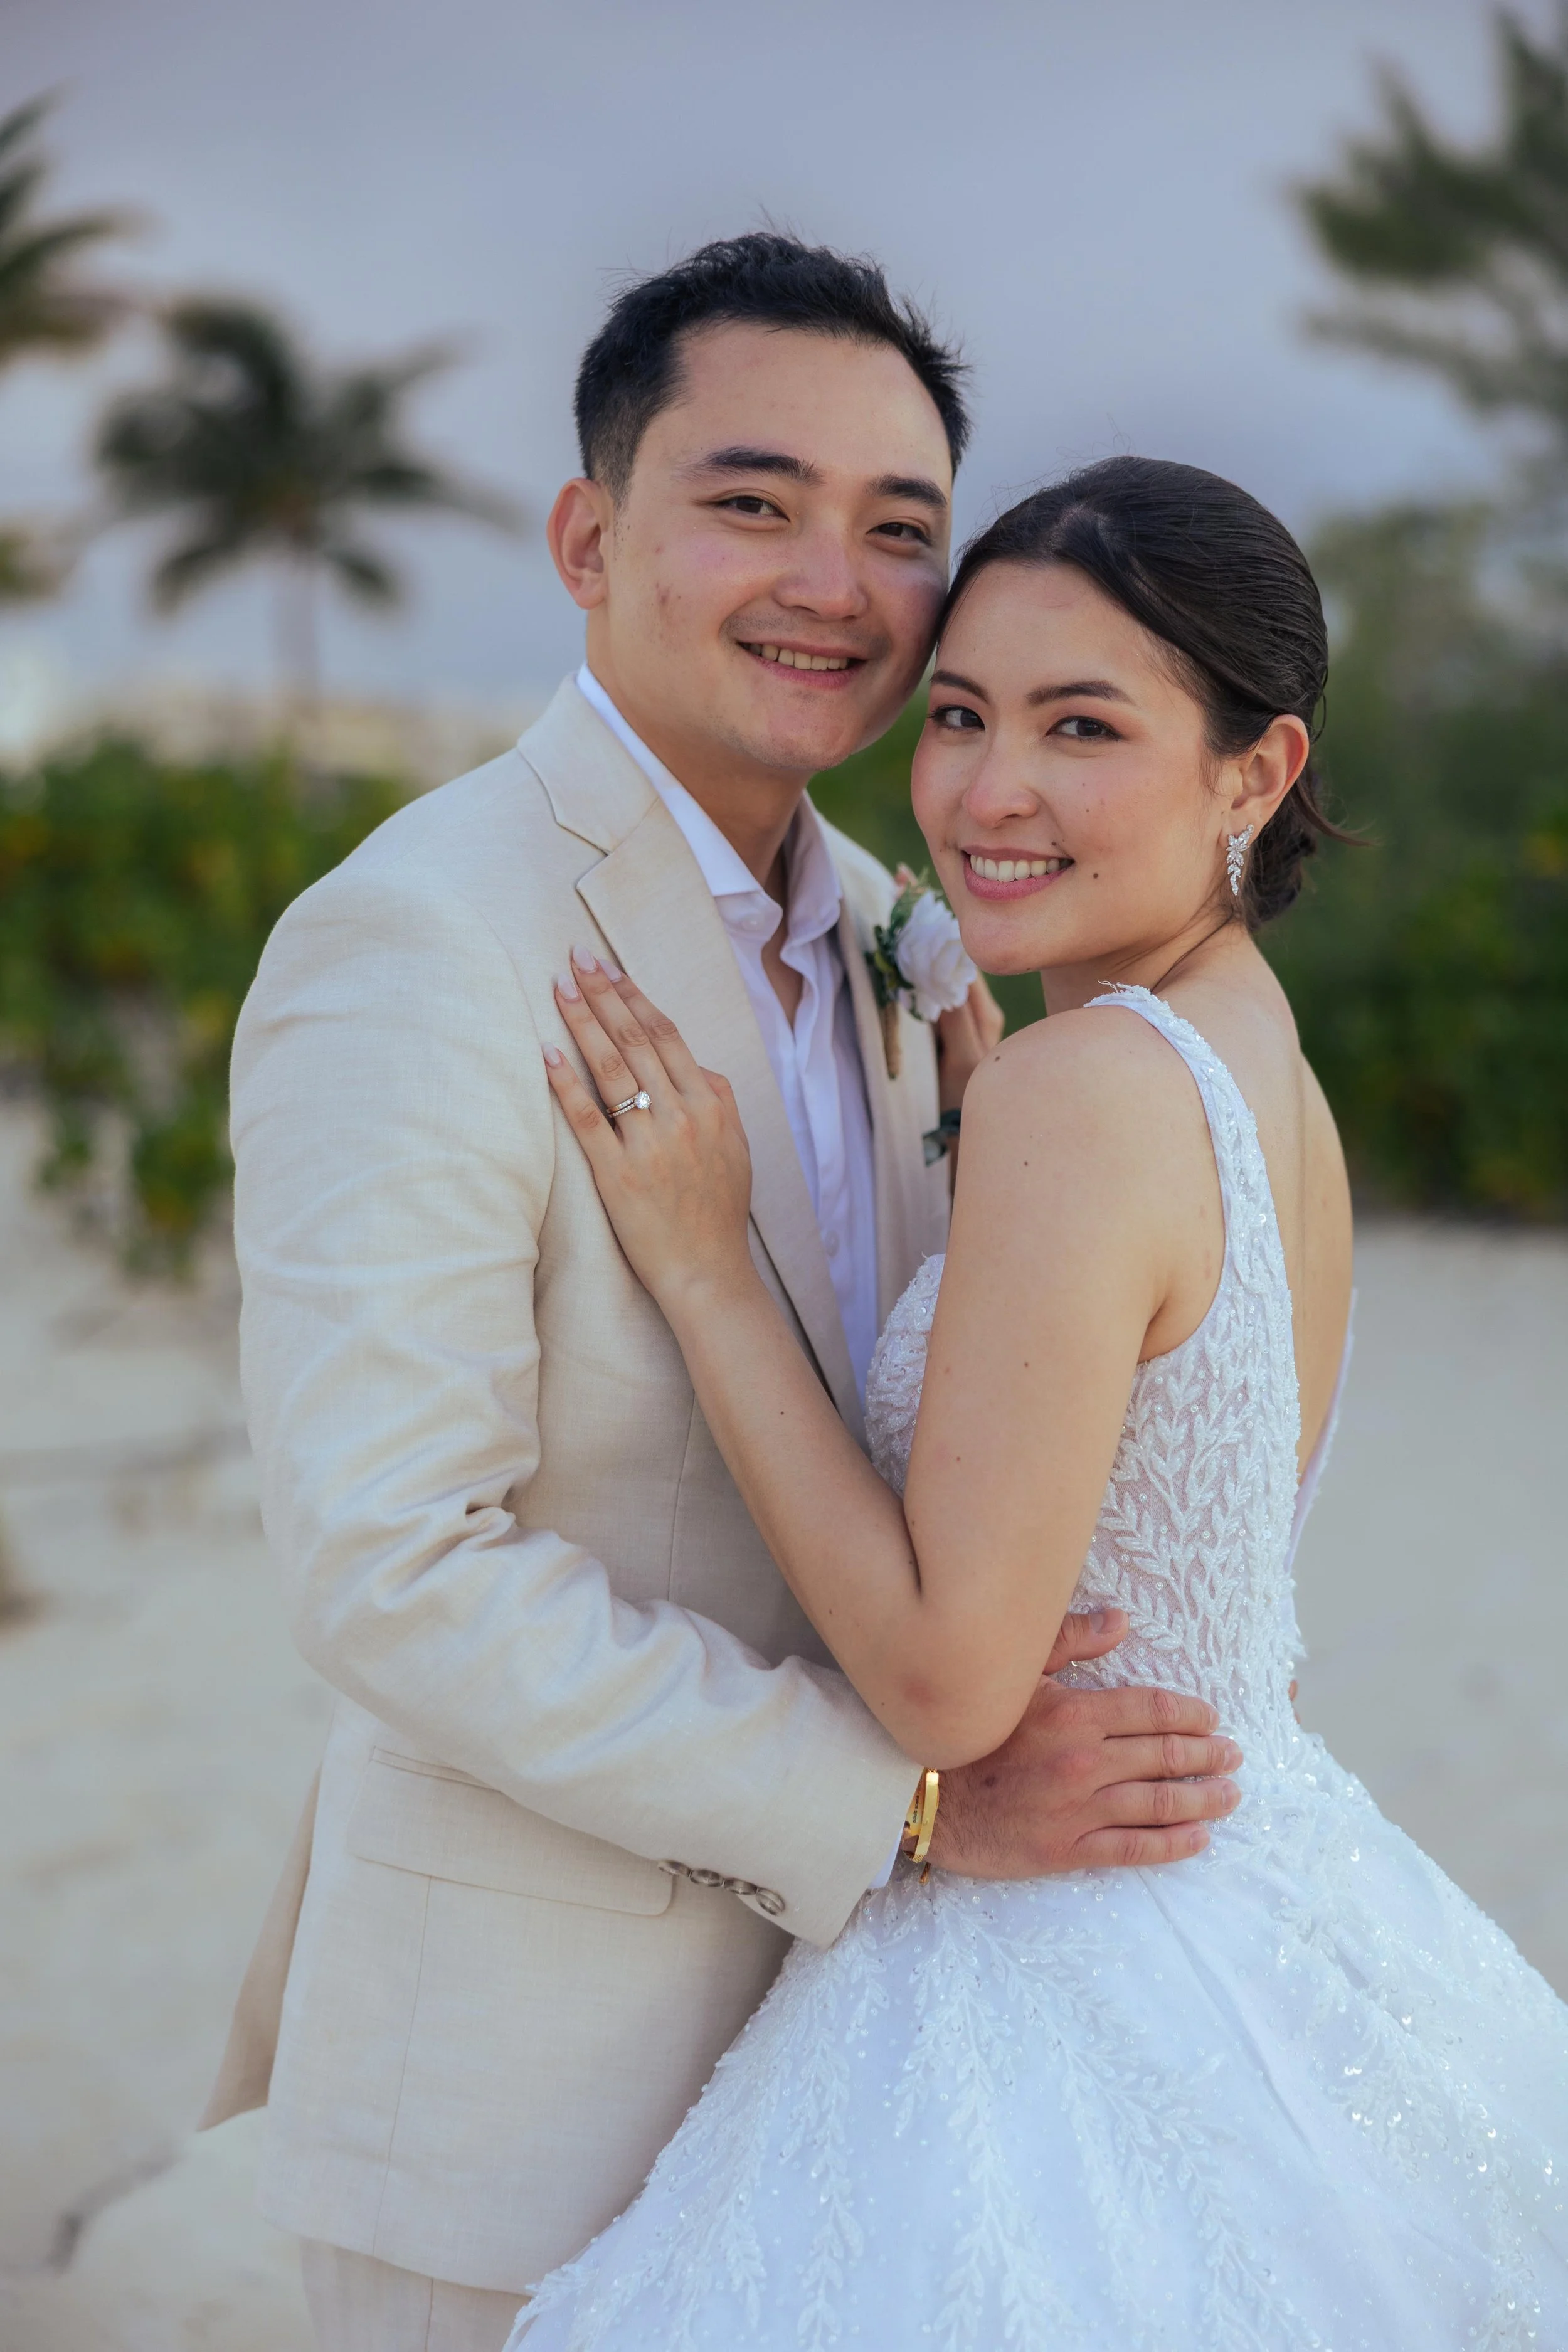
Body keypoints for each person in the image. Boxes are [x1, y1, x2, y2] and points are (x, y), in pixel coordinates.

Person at [204, 241, 1243, 2352]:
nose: (833, 585)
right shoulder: (418, 934)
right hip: (525, 2078)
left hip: (861, 2077)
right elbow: (395, 1563)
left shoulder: (909, 931)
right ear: (590, 536)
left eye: (897, 532)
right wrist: (919, 1807)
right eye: (752, 504)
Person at [512, 455, 1568, 2350]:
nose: (990, 792)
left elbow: (944, 1688)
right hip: (1261, 1878)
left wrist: (700, 1256)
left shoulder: (1082, 1100)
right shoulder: (1264, 1068)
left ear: (1252, 769)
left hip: (1060, 1941)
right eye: (961, 716)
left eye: (1081, 726)